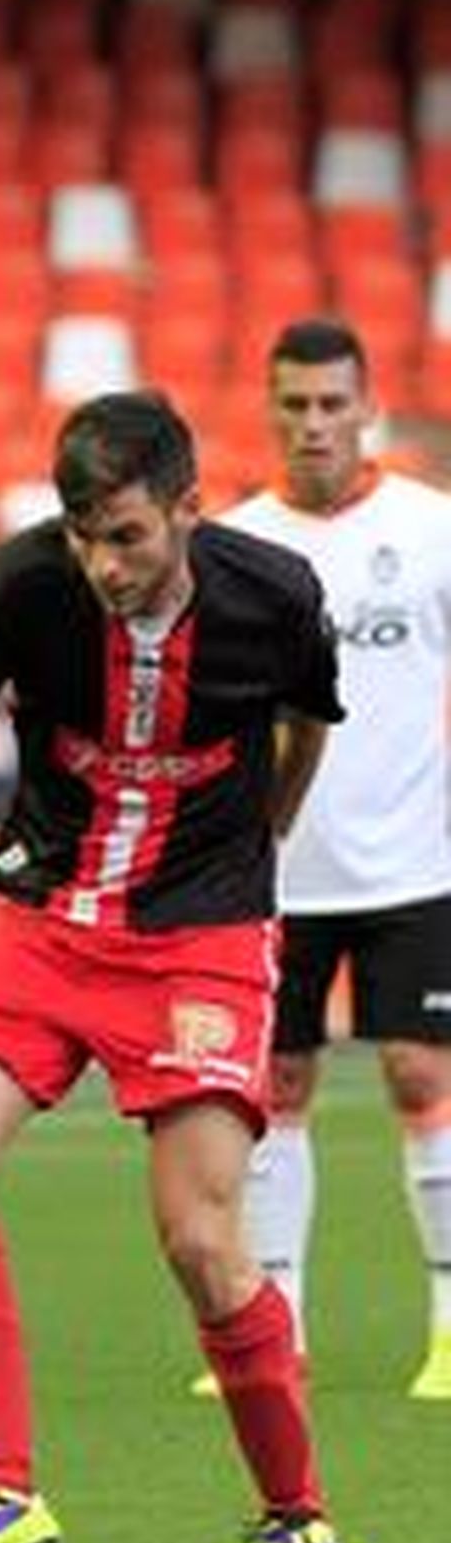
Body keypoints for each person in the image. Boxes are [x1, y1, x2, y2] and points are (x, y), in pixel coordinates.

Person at [0, 390, 347, 1543]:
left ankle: (294, 1505)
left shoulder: (274, 598)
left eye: (125, 536)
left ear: (186, 510)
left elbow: (306, 726)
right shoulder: (19, 588)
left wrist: (255, 847)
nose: (100, 563)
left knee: (200, 1238)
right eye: (81, 535)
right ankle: (4, 1490)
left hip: (202, 938)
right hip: (48, 924)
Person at [219, 318, 451, 1400]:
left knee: (421, 1074)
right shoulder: (232, 545)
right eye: (294, 404)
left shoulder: (432, 528)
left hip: (416, 863)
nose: (313, 425)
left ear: (368, 409)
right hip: (276, 871)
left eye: (331, 404)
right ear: (268, 408)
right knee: (278, 1084)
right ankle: (279, 1332)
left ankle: (449, 1328)